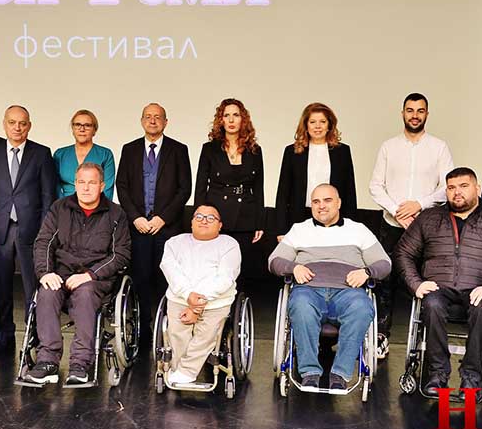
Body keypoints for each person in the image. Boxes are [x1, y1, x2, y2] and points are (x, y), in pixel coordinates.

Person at [395, 167, 482, 396]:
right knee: (432, 304)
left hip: (479, 288)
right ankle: (437, 375)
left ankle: (472, 377)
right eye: (451, 188)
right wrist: (416, 283)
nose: (457, 192)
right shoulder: (429, 218)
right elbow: (403, 253)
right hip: (438, 287)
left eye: (464, 186)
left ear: (477, 188)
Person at [268, 184, 391, 390]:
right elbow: (274, 261)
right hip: (309, 290)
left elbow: (384, 263)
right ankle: (309, 372)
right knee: (300, 304)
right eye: (316, 202)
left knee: (362, 307)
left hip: (347, 292)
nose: (321, 206)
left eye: (327, 200)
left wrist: (367, 272)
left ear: (339, 203)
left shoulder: (358, 230)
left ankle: (340, 374)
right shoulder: (299, 230)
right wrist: (293, 267)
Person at [24, 162, 130, 384]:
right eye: (81, 182)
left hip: (96, 279)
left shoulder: (116, 214)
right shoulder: (59, 208)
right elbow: (43, 243)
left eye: (92, 182)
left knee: (85, 293)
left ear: (102, 185)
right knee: (47, 292)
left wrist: (90, 275)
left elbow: (120, 255)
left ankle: (80, 363)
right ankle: (48, 362)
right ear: (75, 183)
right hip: (62, 273)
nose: (86, 187)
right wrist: (45, 273)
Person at [368, 92, 453, 360]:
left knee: (427, 282)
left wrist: (418, 205)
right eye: (410, 110)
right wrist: (397, 210)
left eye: (420, 110)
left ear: (427, 114)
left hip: (426, 226)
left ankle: (425, 341)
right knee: (385, 282)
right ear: (402, 113)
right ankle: (381, 337)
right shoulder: (388, 147)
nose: (414, 115)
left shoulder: (439, 147)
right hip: (391, 225)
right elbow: (375, 186)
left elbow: (447, 187)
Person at [0, 105, 56, 354]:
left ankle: (34, 337)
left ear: (29, 125)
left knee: (34, 287)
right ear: (4, 124)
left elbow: (48, 196)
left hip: (31, 231)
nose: (17, 127)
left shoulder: (41, 153)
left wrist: (44, 232)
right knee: (1, 288)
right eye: (12, 122)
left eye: (22, 123)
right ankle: (4, 339)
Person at [116, 103, 192, 340]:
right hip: (138, 227)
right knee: (141, 278)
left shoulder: (178, 149)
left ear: (165, 122)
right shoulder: (129, 149)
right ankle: (143, 330)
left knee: (166, 279)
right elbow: (122, 186)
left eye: (157, 117)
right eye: (148, 117)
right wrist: (136, 217)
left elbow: (184, 189)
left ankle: (166, 328)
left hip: (167, 228)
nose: (152, 120)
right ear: (141, 121)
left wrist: (163, 218)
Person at [159, 204, 241, 384]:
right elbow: (171, 271)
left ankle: (186, 372)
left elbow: (225, 277)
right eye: (199, 217)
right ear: (191, 222)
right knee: (178, 332)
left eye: (211, 218)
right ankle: (179, 369)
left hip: (215, 302)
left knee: (206, 335)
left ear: (220, 225)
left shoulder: (229, 245)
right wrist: (188, 296)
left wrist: (196, 305)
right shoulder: (174, 243)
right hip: (180, 299)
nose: (204, 220)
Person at [195, 98, 265, 285]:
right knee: (212, 266)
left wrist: (260, 222)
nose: (231, 120)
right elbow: (201, 186)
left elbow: (258, 188)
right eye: (226, 115)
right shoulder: (209, 149)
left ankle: (238, 303)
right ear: (221, 120)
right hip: (216, 215)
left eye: (236, 115)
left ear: (243, 120)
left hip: (246, 217)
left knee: (240, 268)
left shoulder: (255, 150)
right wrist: (199, 217)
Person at [275, 102, 357, 237]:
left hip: (333, 220)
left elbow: (349, 192)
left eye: (322, 122)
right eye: (312, 122)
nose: (317, 126)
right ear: (306, 125)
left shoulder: (342, 151)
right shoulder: (292, 152)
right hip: (299, 219)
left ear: (329, 125)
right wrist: (281, 230)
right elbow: (283, 193)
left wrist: (351, 227)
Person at [54, 109, 115, 200]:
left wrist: (99, 207)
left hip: (97, 207)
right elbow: (54, 186)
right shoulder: (60, 155)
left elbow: (107, 188)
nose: (82, 129)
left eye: (87, 125)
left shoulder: (105, 154)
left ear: (94, 130)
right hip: (65, 205)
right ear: (73, 129)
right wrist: (63, 205)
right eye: (77, 124)